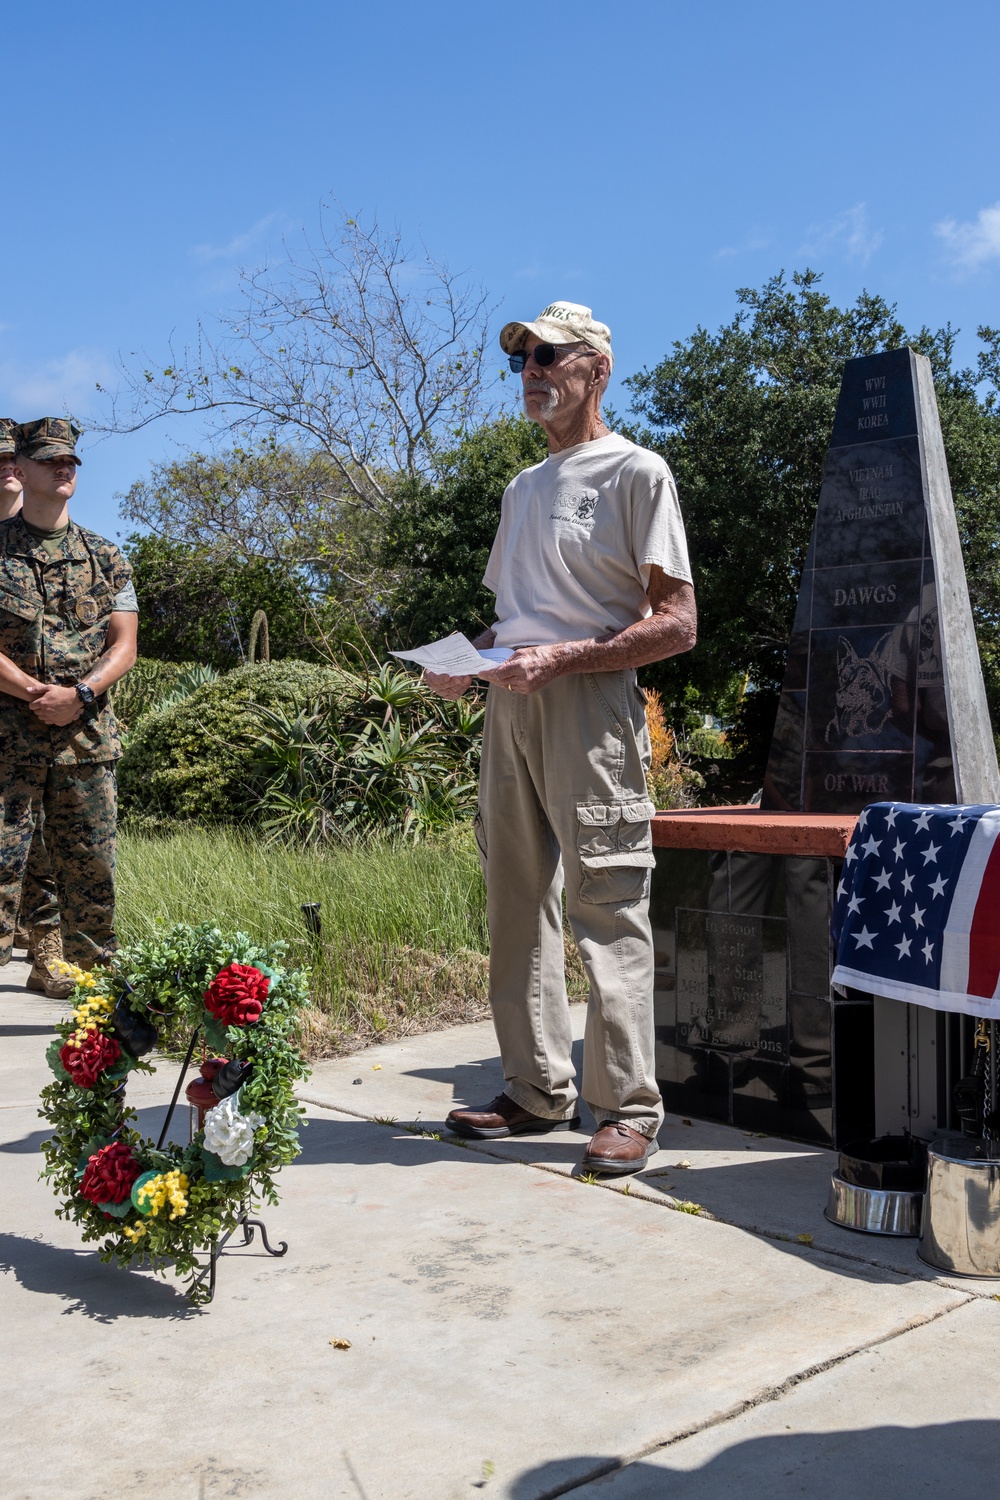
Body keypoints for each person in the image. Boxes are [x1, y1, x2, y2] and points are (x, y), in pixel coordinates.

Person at [425, 301, 696, 1175]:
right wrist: (466, 664)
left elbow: (679, 622)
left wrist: (567, 658)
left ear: (598, 369)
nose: (533, 371)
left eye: (549, 356)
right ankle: (536, 1088)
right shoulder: (521, 488)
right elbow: (515, 620)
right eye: (522, 360)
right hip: (512, 708)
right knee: (515, 898)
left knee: (607, 901)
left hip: (591, 704)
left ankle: (629, 1108)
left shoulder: (636, 472)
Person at [0, 418, 138, 989]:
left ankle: (99, 998)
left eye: (72, 462)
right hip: (9, 740)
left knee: (92, 871)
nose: (65, 469)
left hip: (85, 741)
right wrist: (36, 694)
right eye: (52, 460)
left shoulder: (106, 555)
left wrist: (79, 694)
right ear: (21, 469)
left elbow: (124, 645)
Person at [0, 418, 62, 979]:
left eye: (8, 459)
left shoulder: (48, 540)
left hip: (38, 725)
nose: (5, 472)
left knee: (39, 835)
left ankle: (46, 946)